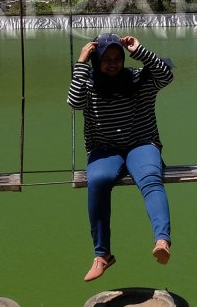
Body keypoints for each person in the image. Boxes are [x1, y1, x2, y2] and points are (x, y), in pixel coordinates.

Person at [67, 32, 174, 281]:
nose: (113, 63)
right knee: (99, 180)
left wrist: (139, 50)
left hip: (141, 143)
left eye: (118, 58)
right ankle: (102, 255)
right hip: (105, 148)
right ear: (97, 61)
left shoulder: (138, 79)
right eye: (106, 59)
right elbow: (73, 102)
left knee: (150, 177)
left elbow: (166, 75)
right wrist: (81, 63)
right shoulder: (90, 85)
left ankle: (162, 241)